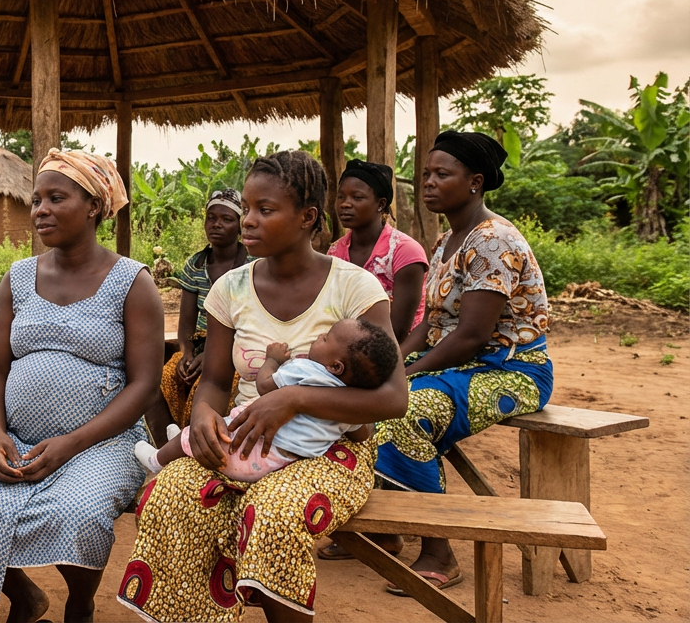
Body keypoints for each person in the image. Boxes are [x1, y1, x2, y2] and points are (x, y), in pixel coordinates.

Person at [119, 151, 407, 623]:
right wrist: (204, 417)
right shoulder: (230, 289)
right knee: (170, 496)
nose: (247, 221)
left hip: (327, 448)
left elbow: (394, 397)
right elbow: (213, 380)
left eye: (264, 210)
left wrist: (292, 398)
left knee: (273, 512)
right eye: (247, 208)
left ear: (307, 217)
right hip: (243, 437)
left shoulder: (356, 289)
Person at [0, 149, 164, 622]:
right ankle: (25, 597)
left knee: (80, 515)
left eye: (55, 197)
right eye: (35, 200)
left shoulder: (132, 282)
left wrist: (71, 444)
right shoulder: (20, 276)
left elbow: (145, 385)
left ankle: (80, 605)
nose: (40, 210)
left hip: (102, 443)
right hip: (15, 436)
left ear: (94, 207)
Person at [358, 131, 553, 593]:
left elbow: (471, 335)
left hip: (512, 369)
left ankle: (439, 550)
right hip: (459, 364)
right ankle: (383, 532)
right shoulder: (447, 240)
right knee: (361, 393)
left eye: (441, 174)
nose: (428, 182)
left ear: (475, 182)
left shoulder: (491, 240)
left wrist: (404, 378)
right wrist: (390, 364)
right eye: (426, 173)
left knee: (405, 409)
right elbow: (431, 326)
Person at [134, 318, 398, 482]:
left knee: (204, 433)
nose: (319, 337)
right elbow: (361, 434)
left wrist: (272, 360)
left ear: (336, 366)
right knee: (200, 432)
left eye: (325, 338)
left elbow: (264, 386)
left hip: (248, 450)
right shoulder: (346, 403)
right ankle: (176, 440)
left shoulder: (304, 370)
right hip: (282, 465)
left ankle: (158, 459)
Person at [151, 188, 250, 433]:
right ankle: (168, 446)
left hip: (239, 346)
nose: (216, 224)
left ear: (239, 226)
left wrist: (211, 357)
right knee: (164, 379)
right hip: (199, 344)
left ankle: (202, 439)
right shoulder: (195, 265)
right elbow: (186, 323)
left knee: (205, 388)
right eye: (211, 218)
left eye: (227, 219)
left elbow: (249, 322)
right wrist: (186, 354)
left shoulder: (252, 264)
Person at [328, 159, 428, 341]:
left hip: (399, 350)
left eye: (357, 197)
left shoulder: (405, 252)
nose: (345, 204)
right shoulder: (335, 252)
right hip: (343, 348)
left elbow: (398, 329)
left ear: (381, 204)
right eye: (341, 197)